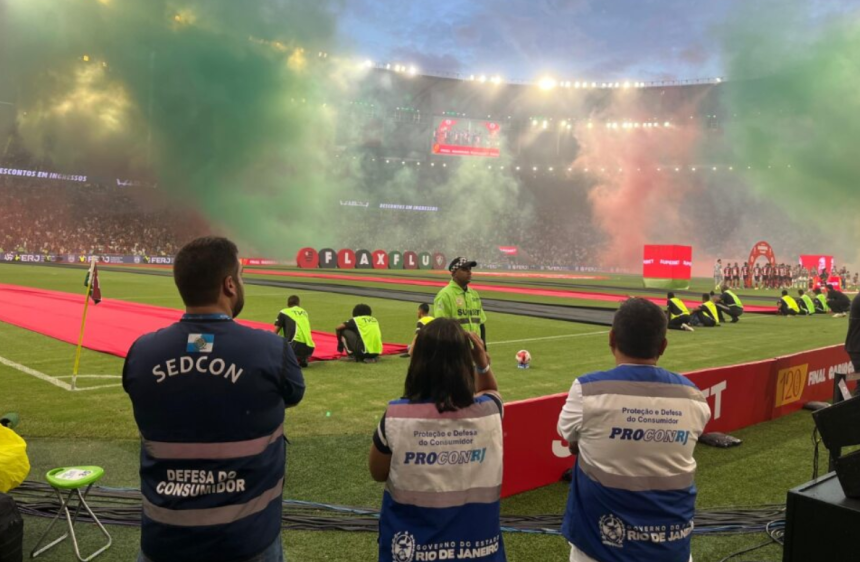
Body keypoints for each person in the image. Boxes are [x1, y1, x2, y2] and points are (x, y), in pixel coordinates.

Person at [123, 237, 306, 562]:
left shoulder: (142, 352)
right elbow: (293, 395)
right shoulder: (271, 351)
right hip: (249, 541)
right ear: (230, 285)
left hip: (165, 540)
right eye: (242, 276)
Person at [557, 298, 711, 562]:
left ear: (611, 339)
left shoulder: (588, 390)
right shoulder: (694, 397)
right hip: (672, 547)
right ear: (663, 345)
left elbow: (569, 437)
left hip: (598, 547)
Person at [369, 319, 505, 562]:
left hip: (411, 551)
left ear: (418, 362)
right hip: (480, 550)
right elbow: (491, 392)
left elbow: (377, 472)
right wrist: (482, 364)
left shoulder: (396, 416)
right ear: (465, 361)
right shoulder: (489, 410)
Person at [434, 257, 487, 344]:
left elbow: (481, 324)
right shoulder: (445, 295)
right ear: (454, 273)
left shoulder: (474, 294)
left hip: (475, 350)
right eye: (464, 269)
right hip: (456, 351)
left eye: (469, 269)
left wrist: (483, 349)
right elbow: (441, 328)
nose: (469, 272)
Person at [274, 295, 315, 368]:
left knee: (276, 341)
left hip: (295, 345)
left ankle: (290, 358)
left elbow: (275, 332)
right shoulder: (304, 312)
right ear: (299, 304)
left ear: (287, 304)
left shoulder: (284, 312)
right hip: (310, 347)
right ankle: (303, 358)